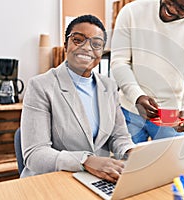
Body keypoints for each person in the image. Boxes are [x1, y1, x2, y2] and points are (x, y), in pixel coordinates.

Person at [20, 14, 135, 182]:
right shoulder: (40, 86)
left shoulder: (109, 86)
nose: (87, 48)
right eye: (78, 39)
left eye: (96, 44)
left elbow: (119, 136)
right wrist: (86, 160)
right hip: (53, 180)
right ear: (66, 45)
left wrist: (132, 153)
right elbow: (35, 154)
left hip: (96, 180)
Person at [110, 0, 184, 143]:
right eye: (171, 0)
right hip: (129, 110)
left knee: (170, 164)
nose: (171, 9)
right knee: (127, 163)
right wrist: (137, 97)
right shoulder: (131, 12)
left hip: (171, 116)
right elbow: (120, 62)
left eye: (182, 9)